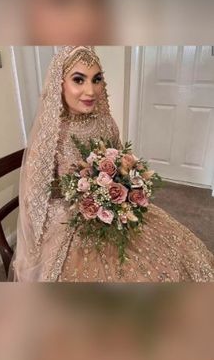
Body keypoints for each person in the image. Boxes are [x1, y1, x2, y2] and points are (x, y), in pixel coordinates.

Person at [12, 46, 214, 282]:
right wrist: (84, 195)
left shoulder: (105, 124)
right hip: (69, 219)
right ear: (60, 83)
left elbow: (121, 165)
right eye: (79, 79)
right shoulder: (51, 135)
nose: (90, 90)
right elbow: (34, 199)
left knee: (176, 251)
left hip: (113, 209)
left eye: (97, 79)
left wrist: (125, 188)